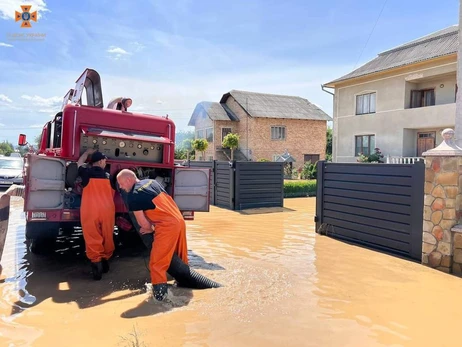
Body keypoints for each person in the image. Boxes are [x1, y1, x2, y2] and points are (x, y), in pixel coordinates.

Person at [116, 169, 188, 301]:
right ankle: (185, 285)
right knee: (180, 257)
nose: (120, 187)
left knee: (156, 264)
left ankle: (160, 299)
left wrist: (149, 229)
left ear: (128, 180)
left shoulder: (133, 195)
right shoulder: (152, 182)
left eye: (121, 183)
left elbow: (143, 223)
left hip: (166, 226)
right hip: (179, 220)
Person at [77, 148, 116, 280]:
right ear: (100, 161)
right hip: (107, 210)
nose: (105, 163)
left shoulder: (86, 173)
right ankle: (106, 262)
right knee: (107, 235)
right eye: (104, 160)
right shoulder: (109, 177)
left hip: (90, 210)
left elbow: (79, 163)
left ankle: (96, 266)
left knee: (92, 236)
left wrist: (86, 153)